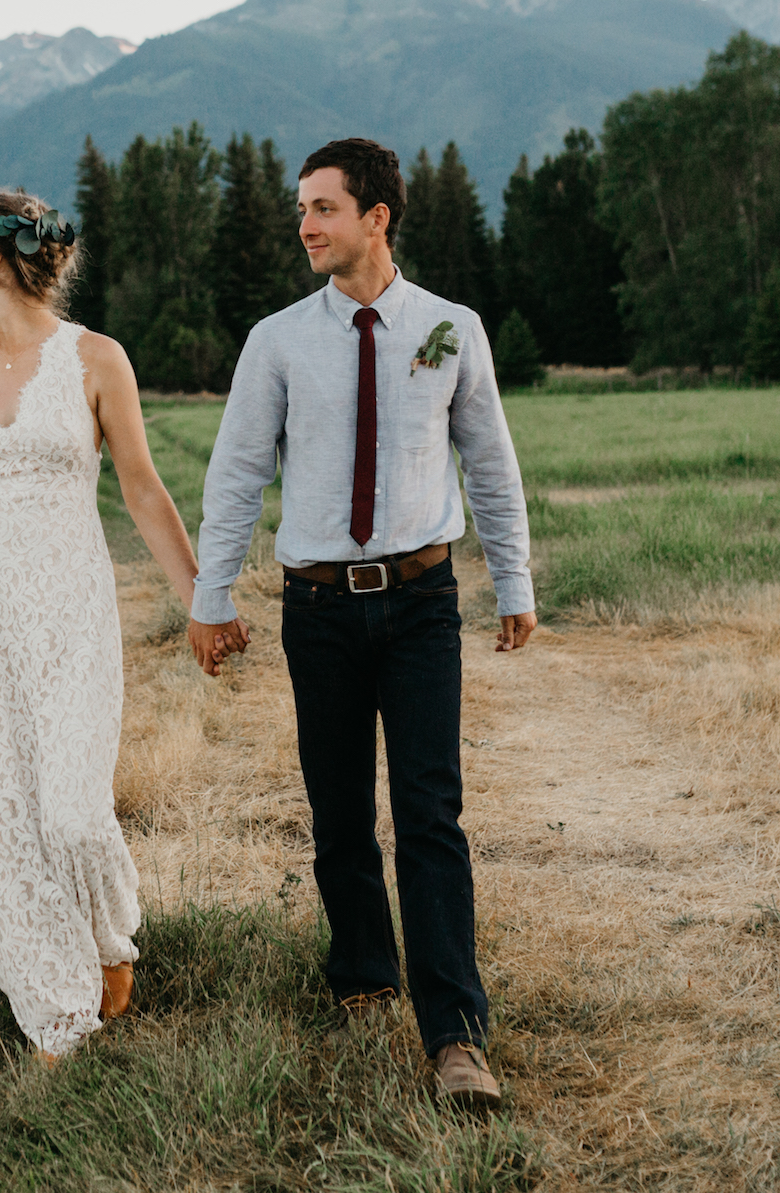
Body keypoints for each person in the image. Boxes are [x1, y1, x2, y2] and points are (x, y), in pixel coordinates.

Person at [187, 137, 536, 1113]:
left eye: (323, 207)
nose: (304, 225)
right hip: (319, 607)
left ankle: (456, 1035)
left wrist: (514, 581)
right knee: (338, 808)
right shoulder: (279, 339)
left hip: (423, 601)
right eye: (302, 208)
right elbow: (237, 471)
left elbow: (491, 464)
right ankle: (361, 971)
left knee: (431, 812)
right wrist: (211, 595)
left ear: (377, 216)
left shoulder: (448, 327)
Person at [0, 186, 203, 1063]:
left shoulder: (97, 360)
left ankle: (109, 937)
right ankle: (57, 1011)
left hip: (69, 606)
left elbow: (142, 488)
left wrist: (201, 599)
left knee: (72, 812)